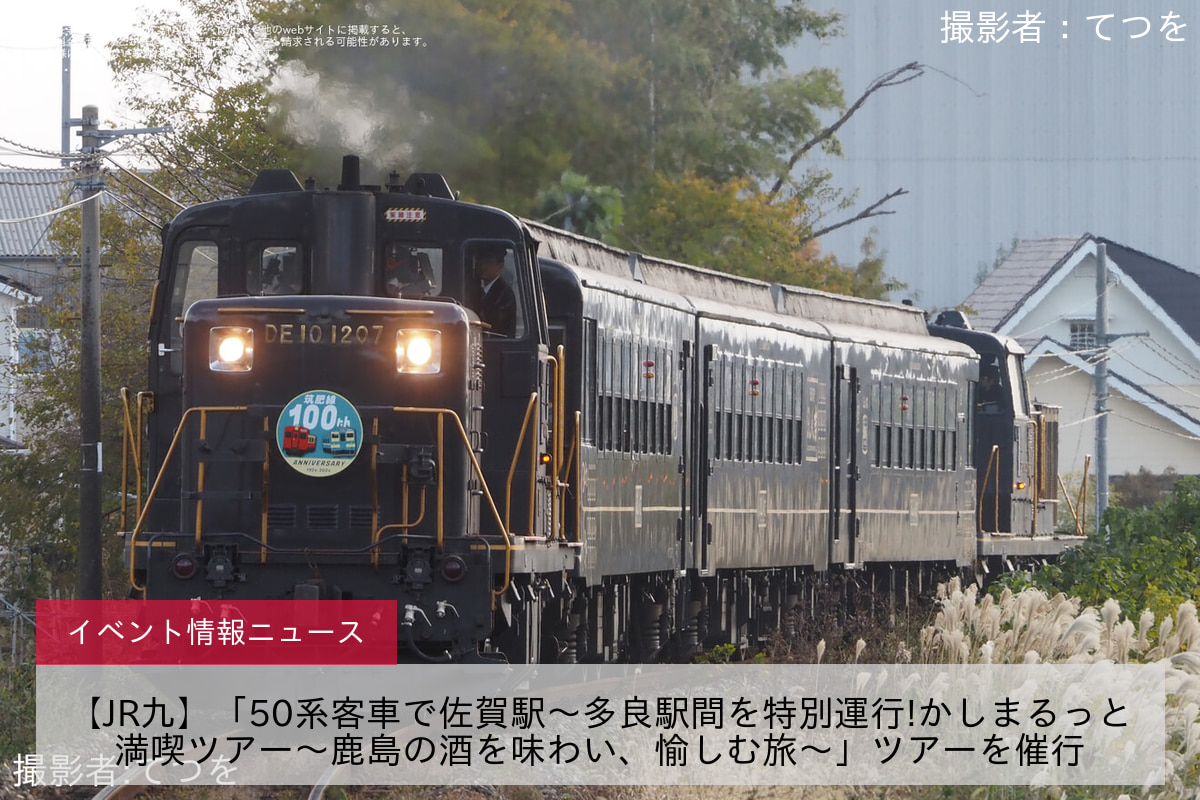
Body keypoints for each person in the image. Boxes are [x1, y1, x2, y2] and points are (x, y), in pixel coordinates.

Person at [472, 244, 517, 336]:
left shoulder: (504, 294)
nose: (483, 266)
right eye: (481, 262)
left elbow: (498, 326)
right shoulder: (476, 289)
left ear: (500, 266)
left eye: (488, 263)